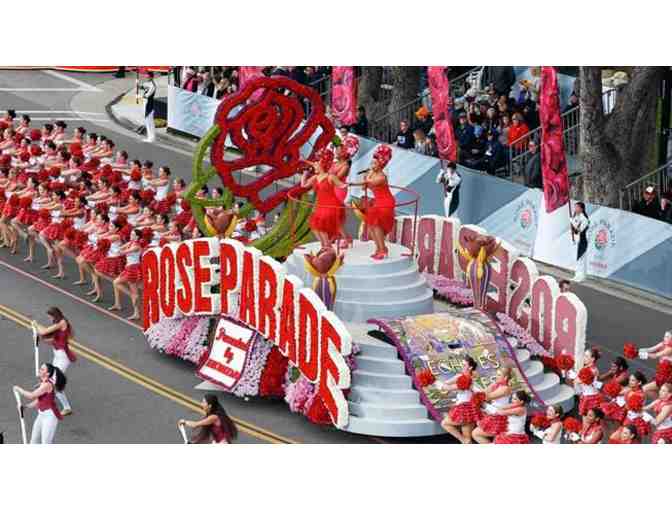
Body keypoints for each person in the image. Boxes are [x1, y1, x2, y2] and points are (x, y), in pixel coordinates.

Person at [301, 149, 347, 253]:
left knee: (320, 224)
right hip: (321, 205)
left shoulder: (331, 177)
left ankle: (327, 246)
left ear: (323, 165)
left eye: (317, 164)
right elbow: (303, 185)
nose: (314, 166)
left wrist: (349, 185)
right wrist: (304, 174)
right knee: (314, 225)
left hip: (331, 205)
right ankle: (325, 245)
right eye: (315, 163)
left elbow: (342, 186)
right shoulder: (314, 177)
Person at [32, 307, 75, 416]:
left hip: (63, 357)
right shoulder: (58, 324)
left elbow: (45, 331)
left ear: (55, 315)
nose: (50, 319)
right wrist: (39, 337)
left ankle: (66, 407)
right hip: (57, 355)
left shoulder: (62, 322)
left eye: (50, 316)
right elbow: (51, 339)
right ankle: (46, 389)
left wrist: (36, 325)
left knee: (54, 382)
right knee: (52, 379)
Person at [358, 144, 396, 260]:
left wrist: (366, 176)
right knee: (372, 225)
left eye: (374, 163)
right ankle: (379, 248)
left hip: (385, 202)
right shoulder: (373, 174)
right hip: (378, 201)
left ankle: (382, 249)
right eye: (371, 163)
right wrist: (366, 176)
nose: (372, 165)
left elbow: (369, 183)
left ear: (381, 164)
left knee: (376, 224)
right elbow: (363, 188)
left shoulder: (381, 177)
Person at [13, 363, 66, 444]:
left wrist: (18, 389)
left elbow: (31, 395)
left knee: (45, 443)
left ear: (47, 374)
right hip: (41, 415)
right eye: (40, 368)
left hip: (50, 417)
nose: (39, 370)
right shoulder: (42, 383)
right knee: (33, 441)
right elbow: (39, 399)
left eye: (42, 369)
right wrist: (26, 407)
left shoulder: (47, 385)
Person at [440, 356, 480, 444]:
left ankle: (463, 439)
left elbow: (447, 387)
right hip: (465, 407)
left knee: (445, 423)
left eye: (464, 365)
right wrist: (446, 387)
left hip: (466, 407)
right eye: (461, 364)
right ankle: (464, 440)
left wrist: (444, 387)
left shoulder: (469, 378)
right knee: (467, 438)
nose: (462, 366)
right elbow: (447, 384)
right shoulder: (460, 376)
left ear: (470, 367)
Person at [472, 366, 513, 444]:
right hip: (493, 413)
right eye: (496, 374)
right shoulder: (498, 385)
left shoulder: (505, 388)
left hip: (499, 417)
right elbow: (483, 393)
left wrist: (473, 388)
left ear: (505, 377)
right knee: (496, 440)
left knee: (476, 433)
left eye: (499, 375)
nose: (496, 376)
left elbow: (486, 397)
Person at [639, 330, 672, 398]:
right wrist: (638, 350)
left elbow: (655, 355)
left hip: (668, 378)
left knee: (644, 388)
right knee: (659, 395)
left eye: (667, 337)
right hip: (661, 375)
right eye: (665, 336)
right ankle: (663, 403)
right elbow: (650, 349)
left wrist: (642, 354)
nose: (664, 338)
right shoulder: (663, 344)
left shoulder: (670, 349)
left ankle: (664, 403)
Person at [570, 201, 589, 282]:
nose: (575, 209)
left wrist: (573, 222)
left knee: (582, 259)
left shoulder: (584, 219)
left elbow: (580, 230)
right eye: (575, 207)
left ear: (581, 209)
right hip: (578, 240)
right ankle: (577, 275)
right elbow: (575, 231)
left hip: (583, 241)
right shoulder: (577, 217)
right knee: (578, 259)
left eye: (577, 207)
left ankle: (582, 276)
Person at [140, 71, 157, 143]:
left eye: (147, 76)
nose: (146, 77)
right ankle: (150, 136)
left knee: (149, 122)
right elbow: (143, 87)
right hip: (145, 103)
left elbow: (147, 95)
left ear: (151, 77)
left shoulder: (153, 85)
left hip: (149, 105)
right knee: (147, 121)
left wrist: (141, 96)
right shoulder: (148, 83)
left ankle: (151, 137)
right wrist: (138, 85)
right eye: (146, 76)